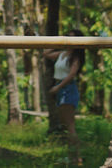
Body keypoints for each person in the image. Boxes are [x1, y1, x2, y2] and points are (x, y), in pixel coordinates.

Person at [45, 29, 85, 167]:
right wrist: (60, 42)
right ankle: (72, 156)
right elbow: (46, 53)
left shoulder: (75, 57)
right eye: (68, 37)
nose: (69, 39)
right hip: (61, 88)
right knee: (66, 125)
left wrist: (58, 87)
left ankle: (76, 158)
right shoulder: (62, 54)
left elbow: (71, 75)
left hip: (67, 89)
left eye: (72, 38)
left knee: (70, 125)